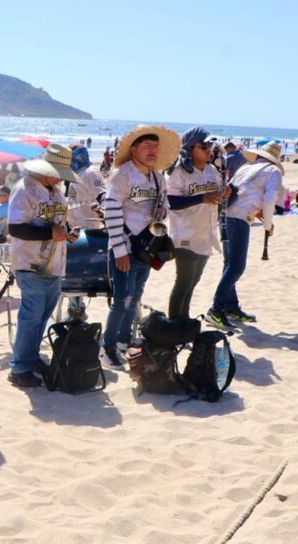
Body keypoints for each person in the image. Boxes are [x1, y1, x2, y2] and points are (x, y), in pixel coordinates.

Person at [101, 125, 180, 368]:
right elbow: (111, 211)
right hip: (125, 246)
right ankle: (108, 347)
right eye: (147, 146)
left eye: (155, 147)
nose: (152, 151)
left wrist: (161, 211)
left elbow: (165, 208)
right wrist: (119, 249)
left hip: (147, 247)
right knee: (122, 299)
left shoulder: (158, 177)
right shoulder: (121, 175)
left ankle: (125, 341)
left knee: (135, 297)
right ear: (133, 149)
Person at [6, 144, 80, 387]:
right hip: (31, 264)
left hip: (54, 264)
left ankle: (31, 357)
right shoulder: (24, 190)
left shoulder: (55, 191)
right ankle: (20, 367)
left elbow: (59, 223)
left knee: (41, 317)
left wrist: (68, 232)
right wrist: (52, 233)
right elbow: (16, 228)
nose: (61, 179)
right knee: (31, 317)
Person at [207, 141, 284, 328]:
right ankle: (215, 310)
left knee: (229, 265)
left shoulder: (246, 168)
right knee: (236, 267)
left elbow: (237, 192)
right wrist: (267, 224)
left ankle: (231, 307)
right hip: (239, 219)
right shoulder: (273, 171)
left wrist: (262, 218)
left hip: (225, 215)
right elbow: (269, 199)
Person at [166, 127, 225, 320]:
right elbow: (171, 202)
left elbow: (214, 199)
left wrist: (225, 196)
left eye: (210, 145)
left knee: (193, 282)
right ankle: (176, 323)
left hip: (206, 234)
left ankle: (184, 319)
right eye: (204, 146)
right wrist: (201, 198)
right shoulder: (179, 173)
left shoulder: (212, 170)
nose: (209, 149)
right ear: (191, 148)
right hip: (185, 235)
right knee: (183, 282)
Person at [65, 145, 106, 321]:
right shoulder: (75, 175)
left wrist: (101, 211)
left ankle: (77, 311)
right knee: (72, 274)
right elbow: (76, 202)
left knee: (79, 273)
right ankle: (75, 310)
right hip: (74, 228)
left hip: (88, 230)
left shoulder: (91, 173)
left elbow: (102, 196)